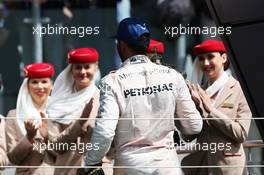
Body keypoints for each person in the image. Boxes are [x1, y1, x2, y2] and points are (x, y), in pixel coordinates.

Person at [78, 17, 203, 175]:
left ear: (121, 46)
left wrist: (91, 163)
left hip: (130, 167)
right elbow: (194, 126)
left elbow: (105, 131)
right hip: (168, 166)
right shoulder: (173, 76)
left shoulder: (112, 81)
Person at [182, 40, 252, 175]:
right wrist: (191, 109)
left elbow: (241, 133)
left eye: (210, 57)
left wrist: (210, 110)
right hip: (201, 167)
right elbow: (187, 137)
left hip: (228, 169)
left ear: (224, 58)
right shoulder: (198, 91)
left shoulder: (239, 89)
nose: (206, 63)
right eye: (201, 59)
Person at [44, 48, 106, 175]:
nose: (83, 72)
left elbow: (112, 144)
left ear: (96, 68)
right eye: (78, 67)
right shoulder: (58, 102)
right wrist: (80, 122)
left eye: (87, 67)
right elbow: (55, 146)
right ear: (71, 71)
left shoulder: (105, 99)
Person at [5, 63, 55, 175]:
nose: (40, 86)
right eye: (34, 82)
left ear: (51, 85)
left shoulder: (61, 113)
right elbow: (13, 158)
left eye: (44, 81)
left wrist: (47, 136)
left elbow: (68, 153)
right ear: (27, 86)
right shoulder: (14, 116)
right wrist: (29, 137)